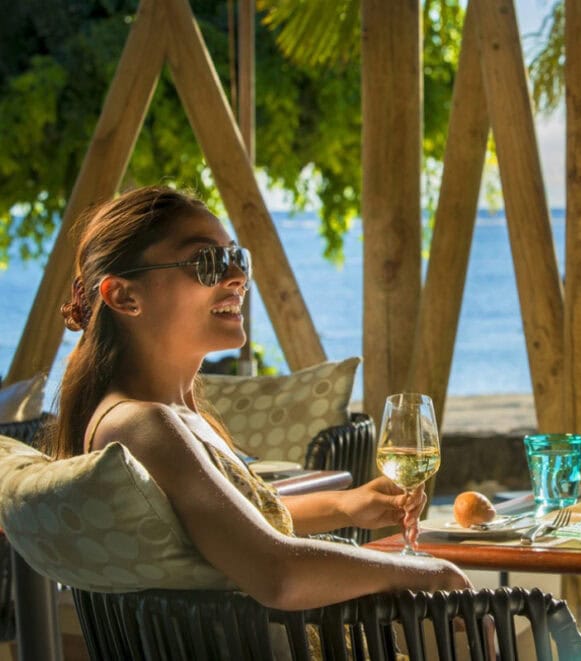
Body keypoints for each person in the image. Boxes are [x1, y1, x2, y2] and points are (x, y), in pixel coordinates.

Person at [47, 185, 470, 609]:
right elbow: (278, 573)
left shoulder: (170, 414)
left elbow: (225, 524)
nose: (237, 278)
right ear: (124, 296)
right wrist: (434, 576)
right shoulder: (141, 425)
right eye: (207, 262)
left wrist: (345, 504)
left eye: (237, 258)